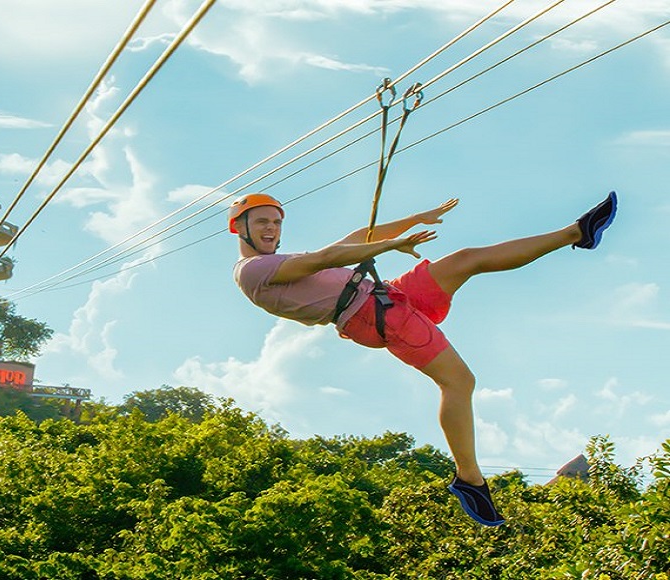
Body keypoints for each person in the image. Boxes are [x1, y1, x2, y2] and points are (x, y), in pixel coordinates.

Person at [230, 190, 618, 526]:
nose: (272, 229)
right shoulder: (252, 271)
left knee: (466, 259)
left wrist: (415, 220)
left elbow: (351, 239)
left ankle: (577, 232)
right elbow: (324, 259)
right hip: (375, 316)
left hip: (385, 295)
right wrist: (388, 246)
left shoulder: (272, 261)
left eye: (277, 223)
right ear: (239, 228)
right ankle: (470, 479)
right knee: (459, 381)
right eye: (263, 222)